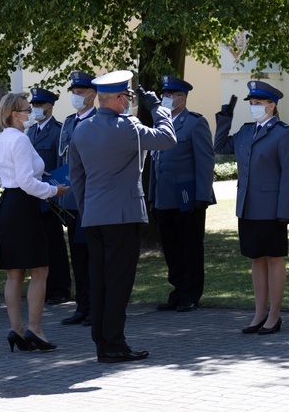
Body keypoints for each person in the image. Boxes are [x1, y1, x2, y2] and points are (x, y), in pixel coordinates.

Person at [69, 72, 176, 363]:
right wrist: (158, 109)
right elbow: (168, 138)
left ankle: (102, 343)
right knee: (118, 283)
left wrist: (88, 207)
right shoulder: (128, 127)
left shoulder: (81, 129)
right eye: (126, 97)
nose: (128, 101)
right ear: (117, 99)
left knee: (99, 281)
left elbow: (77, 179)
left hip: (93, 216)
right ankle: (114, 343)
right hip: (123, 216)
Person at [214, 81, 289, 335]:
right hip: (248, 207)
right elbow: (220, 147)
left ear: (272, 106)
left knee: (274, 259)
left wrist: (284, 210)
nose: (254, 108)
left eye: (259, 104)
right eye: (252, 104)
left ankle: (274, 315)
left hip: (272, 209)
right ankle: (259, 313)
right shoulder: (246, 131)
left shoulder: (283, 133)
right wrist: (225, 117)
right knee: (256, 259)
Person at [0, 92, 70, 352]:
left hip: (8, 205)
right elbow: (26, 183)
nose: (30, 113)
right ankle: (35, 329)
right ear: (15, 113)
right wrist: (54, 191)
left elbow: (10, 173)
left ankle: (16, 329)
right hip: (24, 207)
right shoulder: (21, 140)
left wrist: (42, 173)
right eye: (26, 109)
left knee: (14, 274)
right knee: (40, 271)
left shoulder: (3, 138)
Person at [149, 75, 215, 313]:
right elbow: (156, 163)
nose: (166, 100)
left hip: (188, 195)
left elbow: (205, 161)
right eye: (164, 96)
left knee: (191, 246)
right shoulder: (159, 124)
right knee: (171, 247)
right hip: (164, 196)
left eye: (171, 96)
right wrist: (152, 195)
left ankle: (191, 294)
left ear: (182, 98)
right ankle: (177, 290)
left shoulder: (194, 123)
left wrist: (202, 195)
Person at [58, 71, 97, 326]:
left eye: (80, 92)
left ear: (92, 95)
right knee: (79, 258)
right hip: (72, 201)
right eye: (73, 91)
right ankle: (82, 306)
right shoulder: (69, 122)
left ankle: (95, 307)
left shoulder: (98, 121)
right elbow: (63, 161)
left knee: (93, 257)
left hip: (91, 200)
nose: (76, 96)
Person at [27, 87, 72, 306]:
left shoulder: (58, 131)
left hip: (52, 197)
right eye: (33, 105)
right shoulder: (30, 132)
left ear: (50, 107)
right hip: (34, 198)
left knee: (54, 244)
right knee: (38, 246)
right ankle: (44, 287)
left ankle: (60, 288)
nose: (35, 109)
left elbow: (60, 164)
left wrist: (57, 195)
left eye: (40, 105)